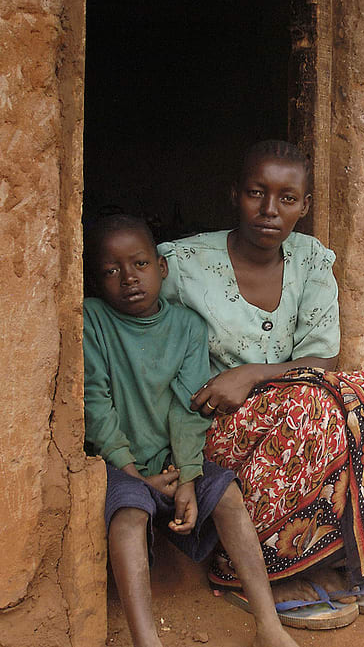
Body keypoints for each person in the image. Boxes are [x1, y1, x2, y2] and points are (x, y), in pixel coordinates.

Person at [158, 140, 364, 629]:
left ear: (304, 206)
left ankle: (326, 556)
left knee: (363, 389)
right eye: (256, 193)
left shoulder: (310, 260)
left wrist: (250, 374)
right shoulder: (181, 265)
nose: (270, 209)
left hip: (289, 412)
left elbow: (322, 359)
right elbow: (139, 337)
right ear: (234, 194)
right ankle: (255, 567)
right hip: (205, 426)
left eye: (287, 198)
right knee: (312, 404)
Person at [82, 214, 301, 647]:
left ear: (161, 267)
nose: (129, 278)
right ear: (95, 281)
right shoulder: (94, 320)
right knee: (129, 518)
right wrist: (131, 473)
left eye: (140, 264)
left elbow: (189, 406)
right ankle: (147, 641)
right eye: (111, 271)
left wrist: (187, 476)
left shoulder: (187, 327)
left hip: (174, 459)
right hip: (118, 464)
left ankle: (269, 626)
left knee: (229, 496)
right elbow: (96, 404)